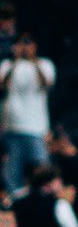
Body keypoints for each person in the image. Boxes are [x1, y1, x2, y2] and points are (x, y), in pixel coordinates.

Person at [1, 33, 55, 194]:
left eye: (28, 43)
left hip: (36, 129)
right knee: (12, 174)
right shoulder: (6, 65)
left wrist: (33, 60)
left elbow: (46, 83)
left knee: (42, 170)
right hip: (12, 129)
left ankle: (44, 200)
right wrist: (16, 60)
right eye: (21, 43)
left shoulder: (45, 64)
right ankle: (15, 203)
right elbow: (3, 85)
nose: (25, 47)